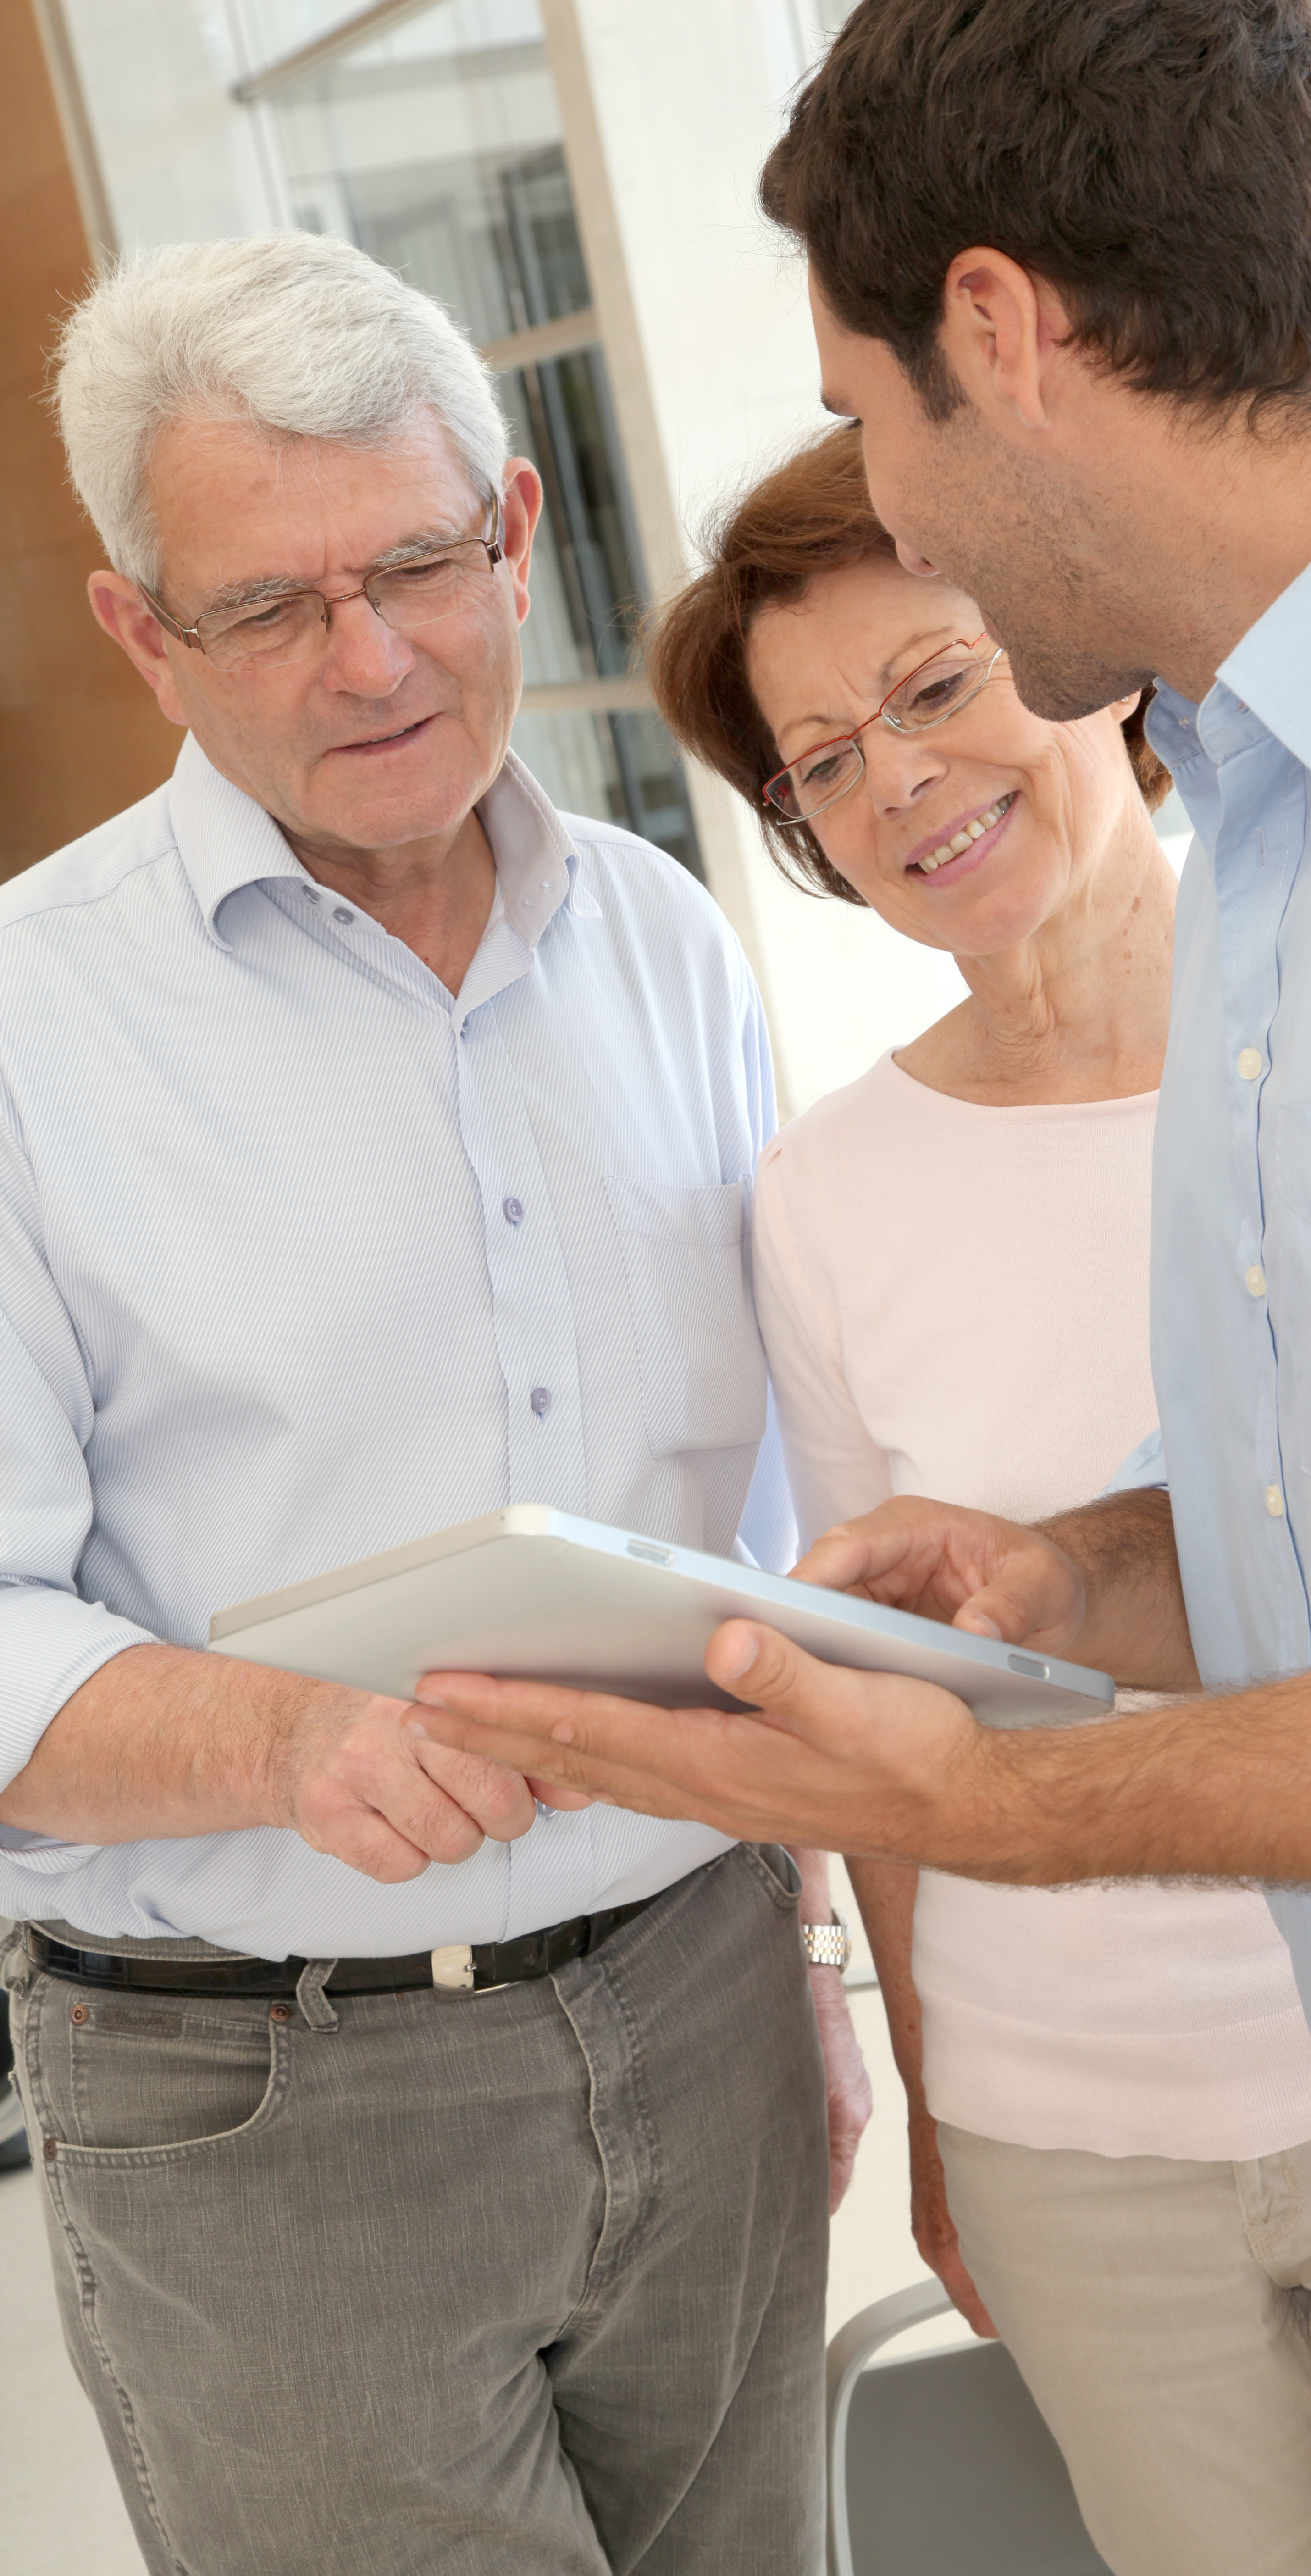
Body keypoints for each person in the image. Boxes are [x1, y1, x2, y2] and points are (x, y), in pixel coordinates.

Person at [415, 5, 1311, 2572]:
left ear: (998, 335)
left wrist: (995, 1805)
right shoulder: (1276, 796)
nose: (886, 499)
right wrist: (1071, 1585)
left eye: (864, 414)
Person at [0, 231, 868, 2576]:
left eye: (411, 563)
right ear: (140, 638)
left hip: (700, 2008)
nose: (370, 659)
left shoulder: (671, 947)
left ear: (514, 530)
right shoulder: (25, 1033)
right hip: (268, 2092)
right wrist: (292, 1743)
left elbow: (743, 1531)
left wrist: (801, 1945)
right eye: (268, 607)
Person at [645, 422, 1311, 2576]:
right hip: (1068, 2148)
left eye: (934, 687)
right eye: (821, 760)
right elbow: (879, 1707)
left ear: (1093, 655)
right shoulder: (822, 1196)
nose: (895, 782)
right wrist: (937, 2120)